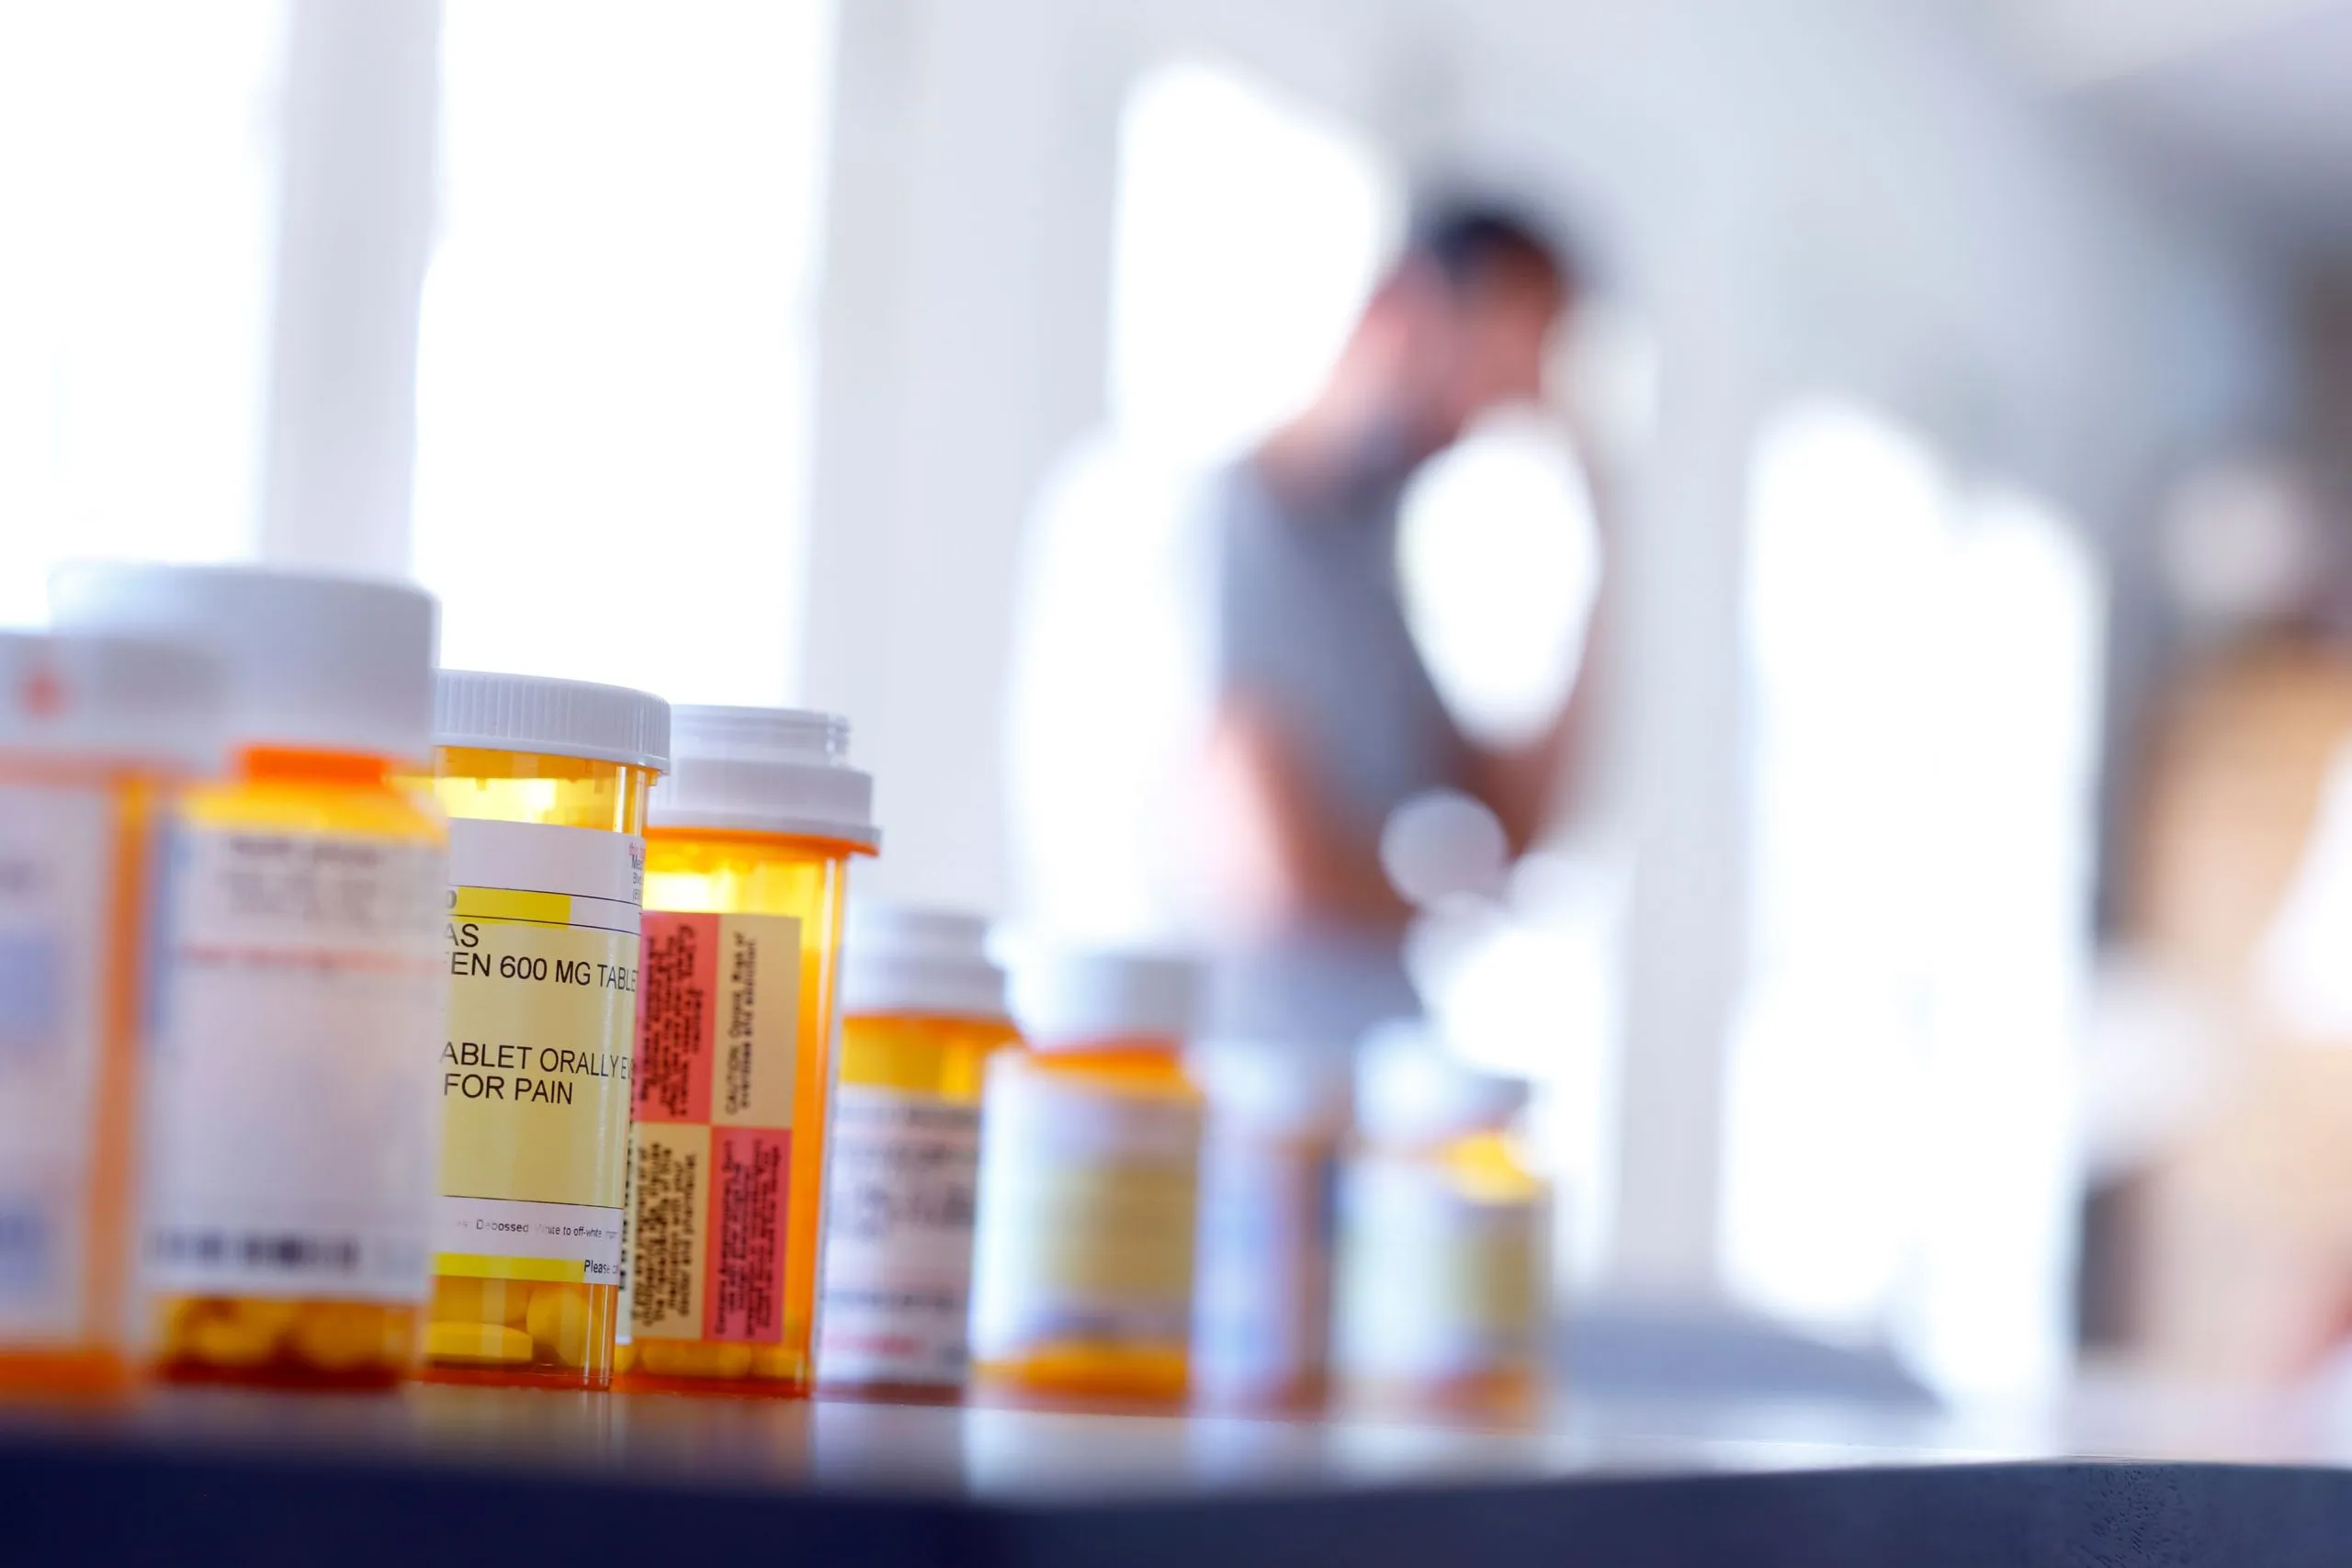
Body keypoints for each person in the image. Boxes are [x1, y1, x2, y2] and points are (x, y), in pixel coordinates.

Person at [1004, 197, 1594, 1035]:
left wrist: (1604, 538)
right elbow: (1276, 868)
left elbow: (1513, 821)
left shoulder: (1360, 562)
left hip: (1343, 1097)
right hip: (1209, 1106)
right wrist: (1463, 901)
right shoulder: (1197, 515)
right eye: (1491, 368)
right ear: (1402, 312)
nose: (1488, 418)